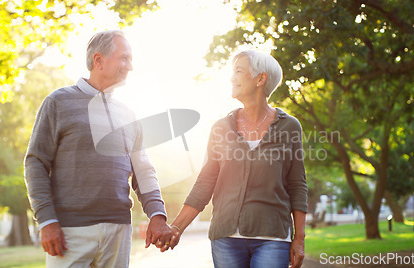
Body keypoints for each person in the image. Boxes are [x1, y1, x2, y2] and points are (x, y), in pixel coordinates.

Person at [24, 29, 173, 267]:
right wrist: (46, 221)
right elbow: (35, 163)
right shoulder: (58, 102)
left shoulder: (129, 113)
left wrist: (157, 214)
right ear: (98, 60)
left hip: (118, 230)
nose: (130, 66)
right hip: (69, 232)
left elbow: (143, 170)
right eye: (124, 58)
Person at [163, 50, 308, 268]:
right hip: (225, 239)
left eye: (238, 71)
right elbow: (205, 182)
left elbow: (298, 185)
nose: (232, 77)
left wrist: (299, 239)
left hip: (273, 237)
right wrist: (177, 227)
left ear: (261, 79)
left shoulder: (289, 126)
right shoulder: (221, 128)